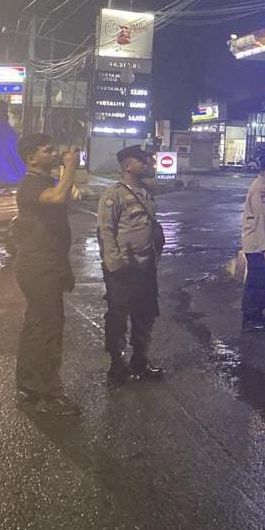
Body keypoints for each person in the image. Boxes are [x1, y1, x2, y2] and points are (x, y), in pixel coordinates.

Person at [14, 134, 82, 416]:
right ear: (32, 158)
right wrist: (70, 167)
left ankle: (29, 386)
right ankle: (50, 394)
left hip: (47, 263)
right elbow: (56, 199)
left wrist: (64, 266)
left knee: (36, 325)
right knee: (49, 329)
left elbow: (57, 224)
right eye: (48, 150)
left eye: (55, 149)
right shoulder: (31, 184)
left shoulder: (44, 182)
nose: (55, 153)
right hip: (38, 265)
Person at [97, 145, 165, 384]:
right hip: (124, 269)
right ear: (127, 165)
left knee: (145, 314)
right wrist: (115, 264)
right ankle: (117, 366)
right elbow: (106, 231)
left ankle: (140, 361)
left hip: (146, 267)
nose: (146, 164)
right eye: (141, 160)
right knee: (118, 317)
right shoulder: (113, 195)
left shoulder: (145, 192)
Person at [241, 155, 265, 333]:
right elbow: (261, 220)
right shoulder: (260, 189)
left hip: (260, 243)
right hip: (257, 245)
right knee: (258, 282)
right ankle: (251, 317)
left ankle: (256, 314)